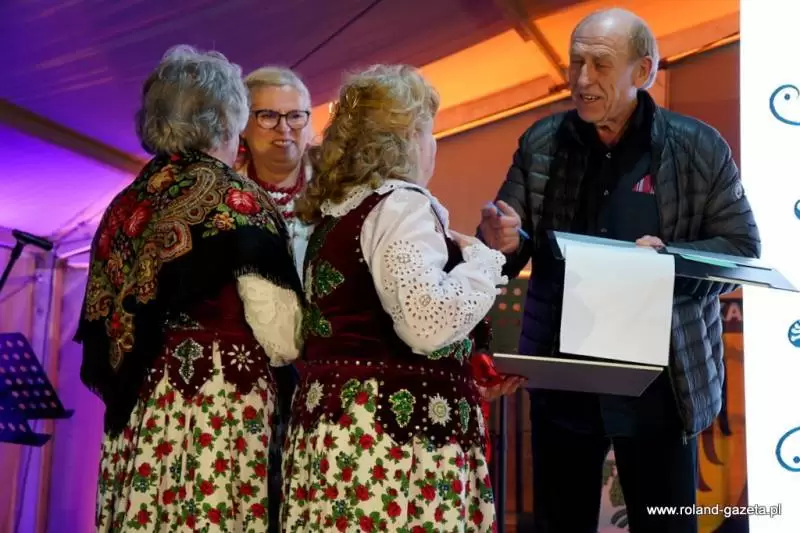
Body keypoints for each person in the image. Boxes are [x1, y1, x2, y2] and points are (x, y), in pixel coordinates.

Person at [478, 8, 760, 533]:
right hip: (563, 379)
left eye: (600, 65)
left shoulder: (696, 146)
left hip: (662, 383)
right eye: (576, 63)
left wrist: (666, 261)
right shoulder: (542, 142)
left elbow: (741, 250)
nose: (582, 79)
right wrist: (502, 243)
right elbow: (505, 243)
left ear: (643, 70)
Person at [75, 46, 304, 533]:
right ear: (226, 119)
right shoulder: (236, 200)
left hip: (140, 417)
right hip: (215, 414)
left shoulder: (127, 203)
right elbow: (283, 338)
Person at [281, 64, 508, 532]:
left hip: (337, 433)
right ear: (409, 136)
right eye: (430, 131)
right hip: (395, 445)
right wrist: (483, 264)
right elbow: (425, 324)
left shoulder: (334, 216)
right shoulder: (401, 205)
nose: (433, 145)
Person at [234, 65, 315, 532]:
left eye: (296, 115)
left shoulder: (338, 187)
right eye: (268, 116)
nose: (284, 128)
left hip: (318, 371)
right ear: (243, 124)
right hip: (244, 378)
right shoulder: (224, 190)